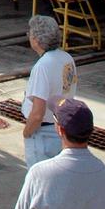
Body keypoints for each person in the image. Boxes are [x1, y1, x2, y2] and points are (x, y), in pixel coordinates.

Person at [21, 15, 78, 168]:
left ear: (37, 40)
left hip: (42, 133)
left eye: (30, 34)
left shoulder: (42, 66)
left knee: (39, 183)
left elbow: (38, 113)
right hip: (60, 129)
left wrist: (27, 132)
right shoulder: (66, 58)